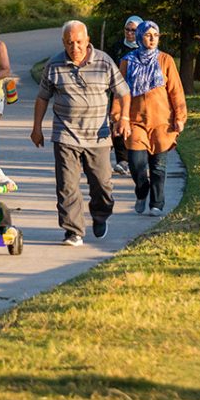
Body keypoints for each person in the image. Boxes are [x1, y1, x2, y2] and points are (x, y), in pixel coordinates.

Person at [32, 20, 131, 246]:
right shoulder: (54, 65)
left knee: (102, 184)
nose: (74, 47)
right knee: (66, 185)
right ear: (63, 42)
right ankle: (73, 230)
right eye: (69, 43)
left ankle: (100, 214)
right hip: (65, 134)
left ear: (87, 41)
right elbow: (42, 97)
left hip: (98, 135)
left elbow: (123, 93)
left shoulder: (104, 62)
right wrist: (36, 128)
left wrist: (124, 118)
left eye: (78, 42)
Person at [111, 20, 187, 217]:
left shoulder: (165, 60)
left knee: (158, 167)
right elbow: (119, 92)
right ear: (139, 37)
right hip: (135, 121)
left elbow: (176, 92)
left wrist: (180, 117)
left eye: (156, 35)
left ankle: (157, 203)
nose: (152, 39)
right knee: (136, 164)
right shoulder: (127, 61)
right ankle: (141, 190)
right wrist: (118, 117)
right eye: (147, 35)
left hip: (162, 122)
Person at [106, 15, 144, 175]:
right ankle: (122, 159)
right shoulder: (117, 47)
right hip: (118, 92)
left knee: (134, 123)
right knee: (117, 122)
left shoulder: (144, 49)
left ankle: (135, 157)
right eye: (127, 30)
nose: (129, 33)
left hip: (138, 93)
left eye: (133, 30)